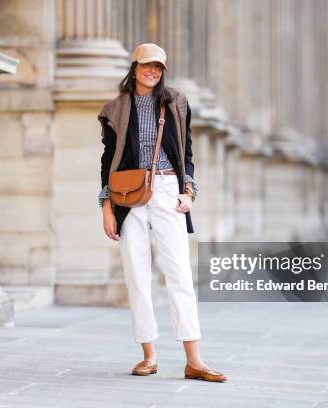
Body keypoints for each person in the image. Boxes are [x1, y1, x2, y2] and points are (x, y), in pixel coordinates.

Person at [97, 43, 227, 382]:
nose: (152, 71)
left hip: (168, 190)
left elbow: (187, 153)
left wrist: (189, 192)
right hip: (127, 195)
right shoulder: (115, 109)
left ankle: (194, 360)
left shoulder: (176, 103)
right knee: (137, 277)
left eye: (158, 67)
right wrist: (107, 207)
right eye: (146, 66)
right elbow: (107, 162)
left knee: (180, 274)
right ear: (135, 67)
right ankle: (149, 356)